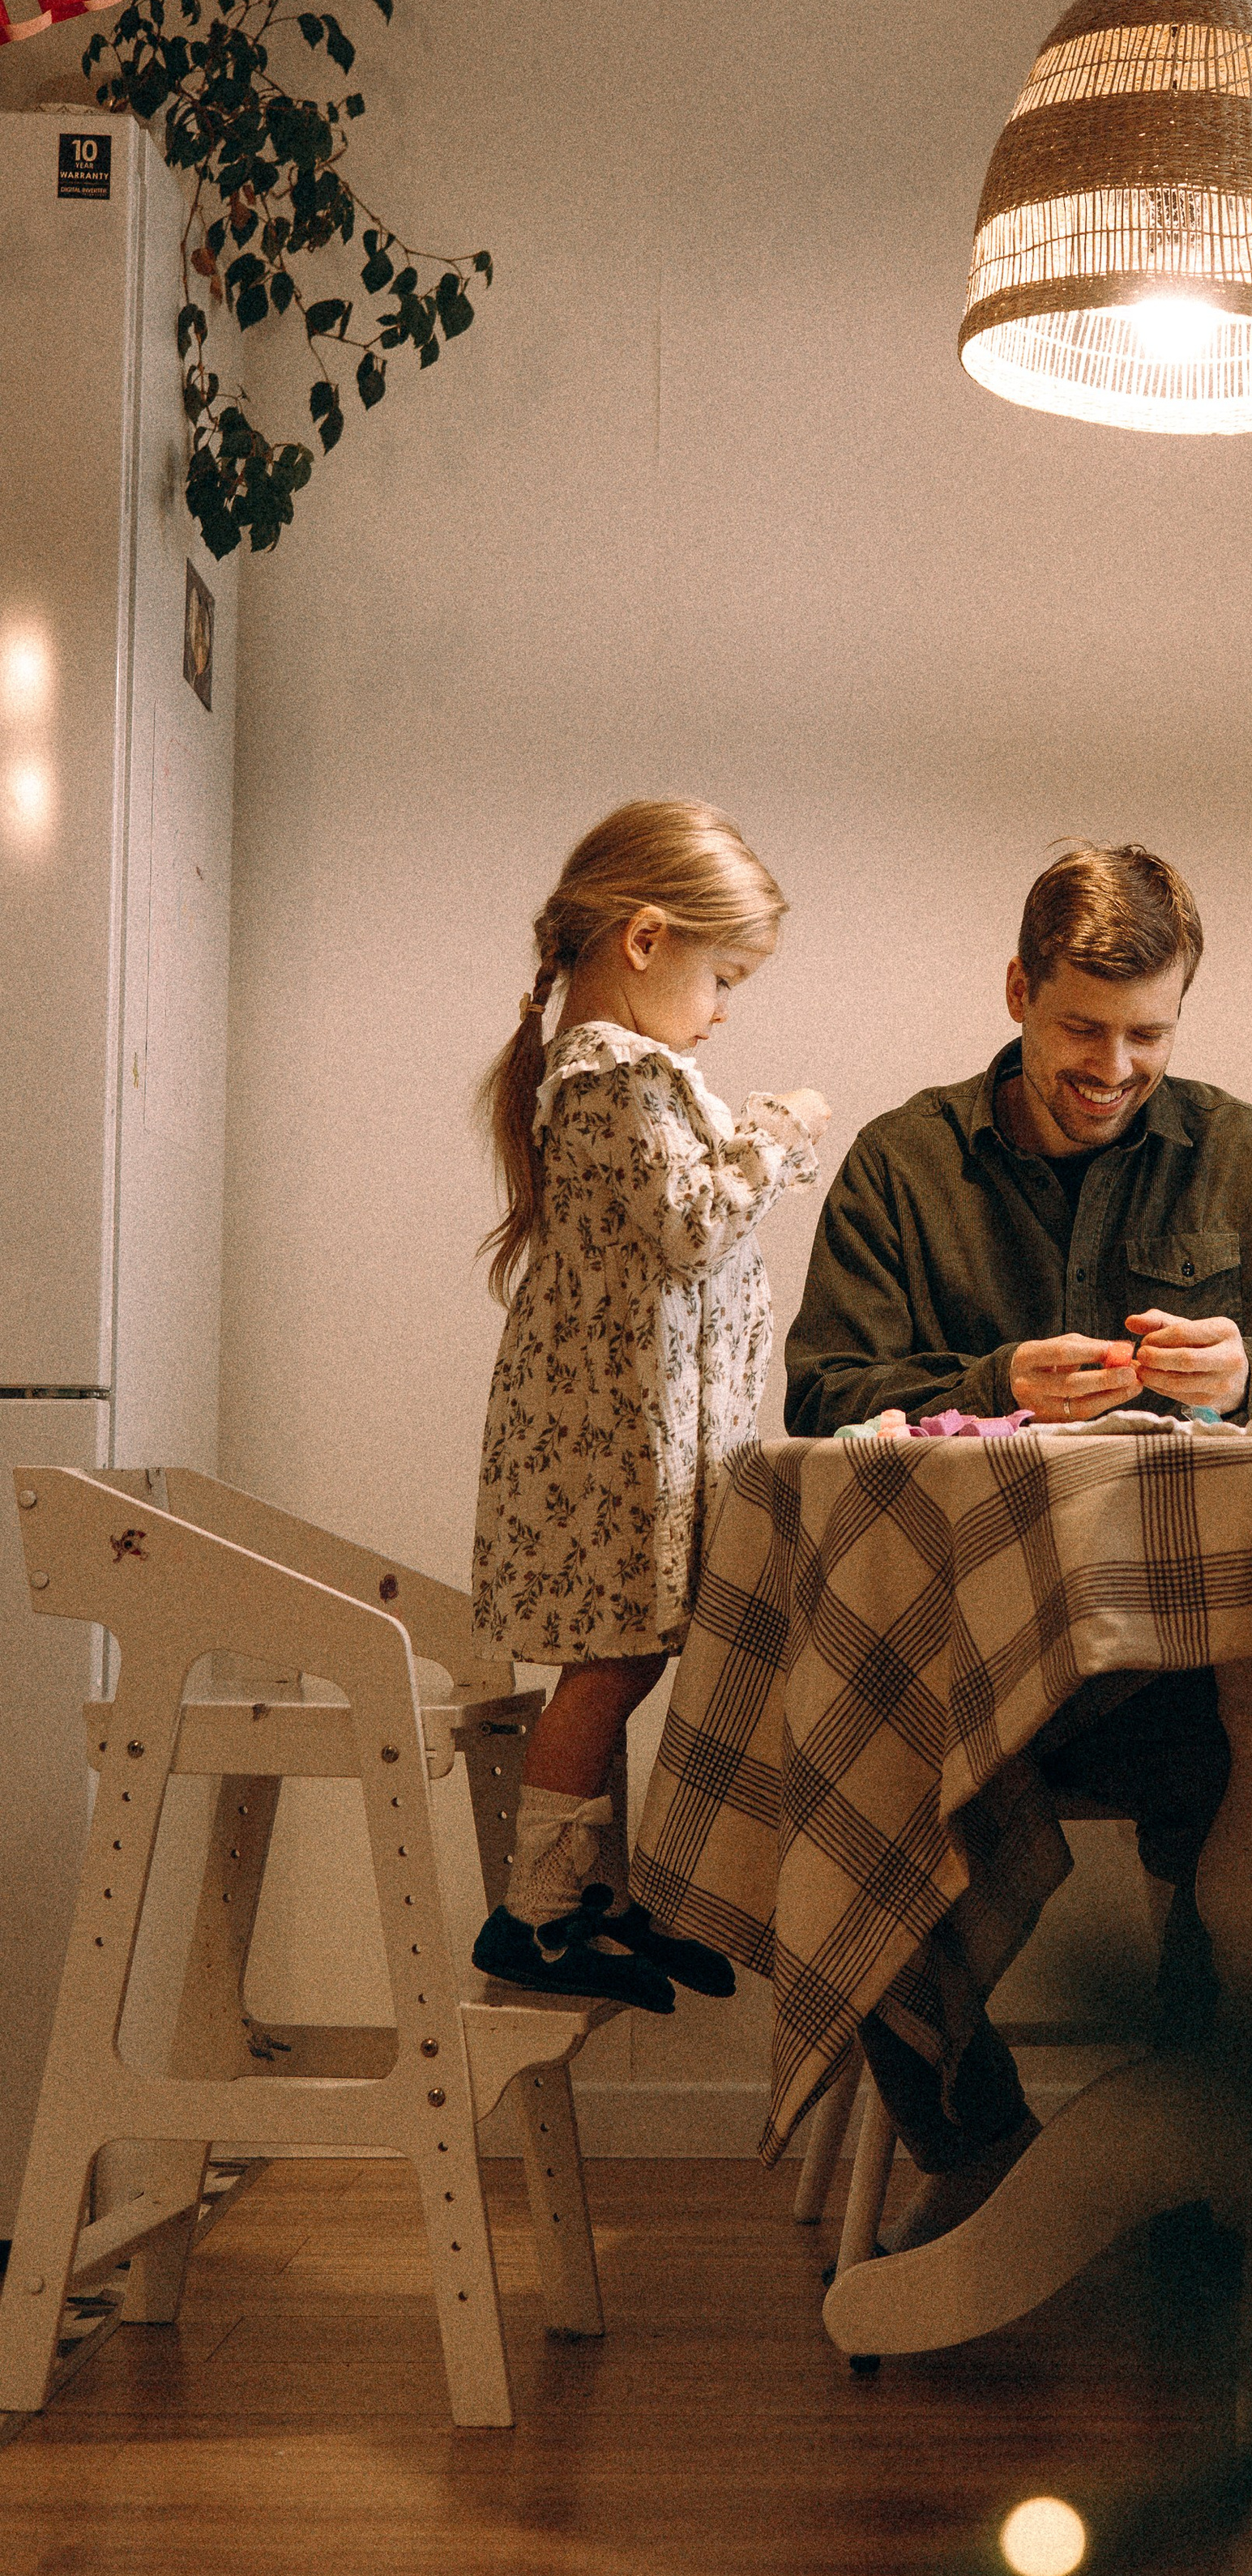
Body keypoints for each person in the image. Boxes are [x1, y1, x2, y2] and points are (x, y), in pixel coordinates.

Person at [785, 841, 1252, 2241]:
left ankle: (1200, 2152)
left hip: (1177, 1668)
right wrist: (984, 1386)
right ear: (1017, 991)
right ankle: (984, 2154)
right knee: (854, 1773)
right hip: (952, 1664)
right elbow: (820, 1395)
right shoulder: (904, 1163)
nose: (1114, 1065)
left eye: (1149, 1034)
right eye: (1082, 1027)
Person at [471, 799, 831, 2011]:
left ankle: (594, 1895)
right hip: (617, 1443)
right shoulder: (608, 1071)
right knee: (609, 1667)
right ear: (644, 939)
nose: (724, 1007)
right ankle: (537, 1911)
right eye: (722, 976)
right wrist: (779, 1130)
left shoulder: (622, 1071)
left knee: (627, 1660)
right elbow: (691, 1225)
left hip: (644, 1436)